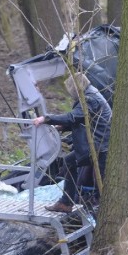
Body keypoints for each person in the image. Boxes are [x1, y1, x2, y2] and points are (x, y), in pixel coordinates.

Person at [33, 72, 112, 213]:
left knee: (102, 182)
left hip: (99, 145)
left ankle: (97, 209)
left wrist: (46, 119)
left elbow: (73, 117)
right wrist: (64, 126)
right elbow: (83, 119)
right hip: (100, 143)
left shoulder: (89, 99)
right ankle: (66, 203)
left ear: (75, 88)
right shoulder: (92, 94)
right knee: (70, 162)